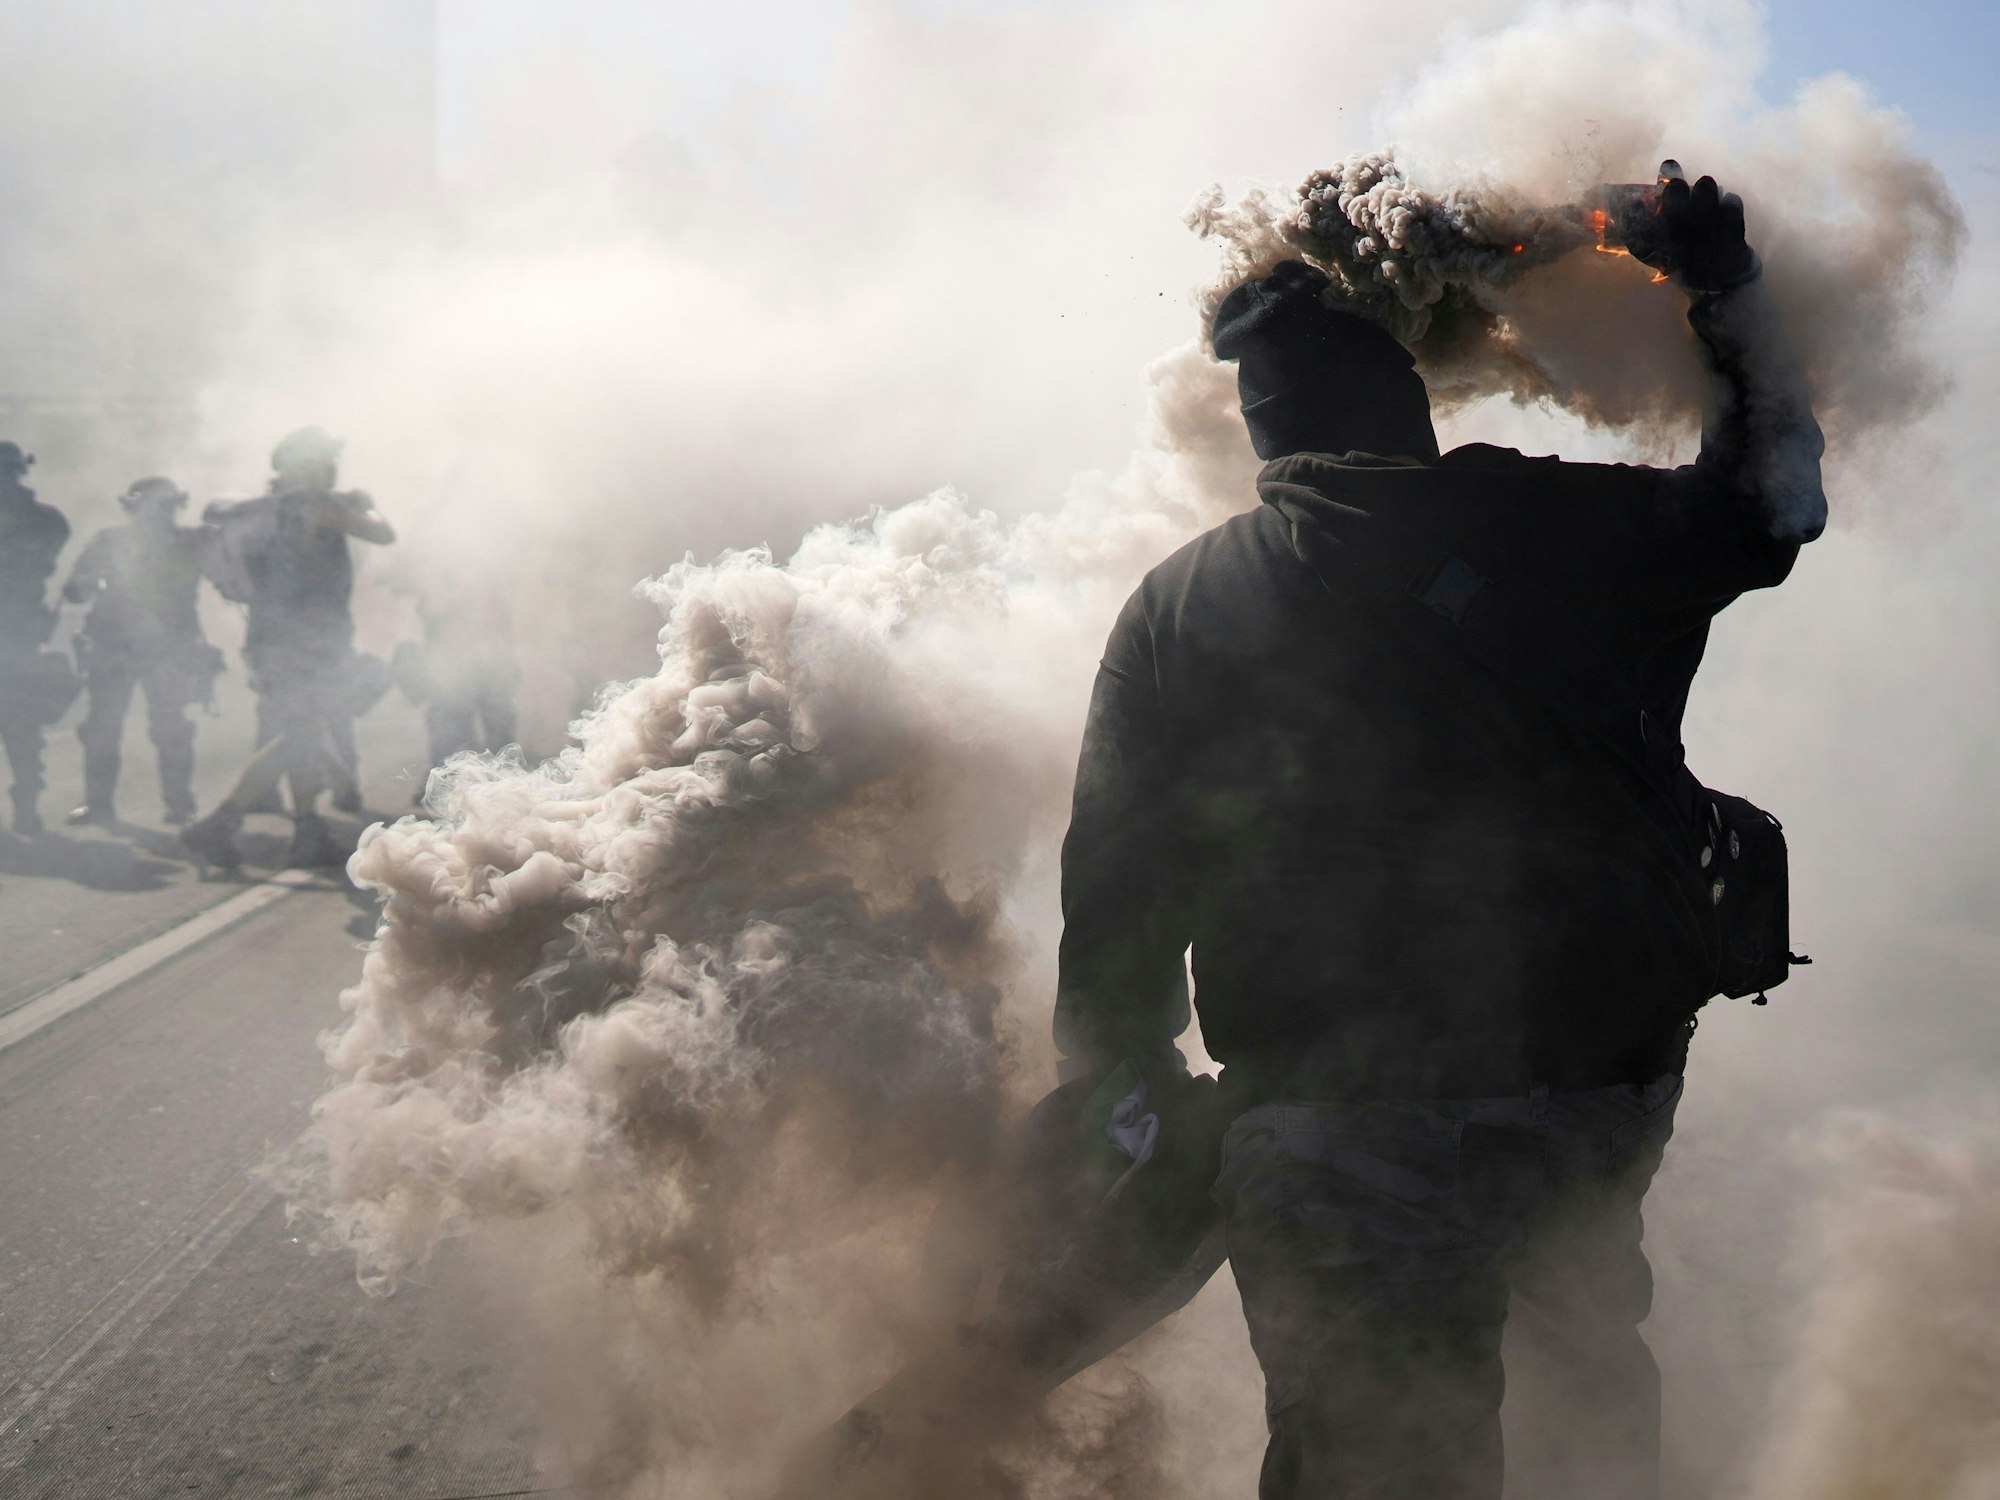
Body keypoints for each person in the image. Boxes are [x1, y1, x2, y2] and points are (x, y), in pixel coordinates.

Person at [1051, 169, 1824, 1499]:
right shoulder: (1557, 525)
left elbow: (1119, 893)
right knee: (1587, 1433)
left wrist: (1121, 1095)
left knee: (1374, 1460)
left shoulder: (1180, 608)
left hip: (1334, 1133)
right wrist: (1727, 298)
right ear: (1405, 399)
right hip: (1591, 1104)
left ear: (1265, 428)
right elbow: (1773, 508)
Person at [182, 427, 393, 870]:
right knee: (302, 732)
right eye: (327, 456)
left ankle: (306, 830)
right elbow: (381, 534)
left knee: (302, 731)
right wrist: (366, 502)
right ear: (311, 462)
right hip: (312, 640)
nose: (333, 464)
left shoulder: (267, 508)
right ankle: (221, 822)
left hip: (270, 636)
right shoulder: (319, 502)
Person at [60, 477, 224, 825]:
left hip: (169, 646)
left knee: (171, 727)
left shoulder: (191, 542)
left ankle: (178, 803)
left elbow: (228, 579)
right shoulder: (109, 541)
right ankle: (99, 804)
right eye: (152, 507)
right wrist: (88, 582)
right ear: (134, 509)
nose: (158, 515)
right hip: (114, 644)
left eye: (165, 507)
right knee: (103, 727)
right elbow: (74, 591)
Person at [0, 441, 75, 836]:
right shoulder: (47, 519)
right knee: (20, 726)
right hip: (21, 632)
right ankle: (27, 804)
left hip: (16, 631)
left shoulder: (45, 520)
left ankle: (27, 804)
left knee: (19, 724)